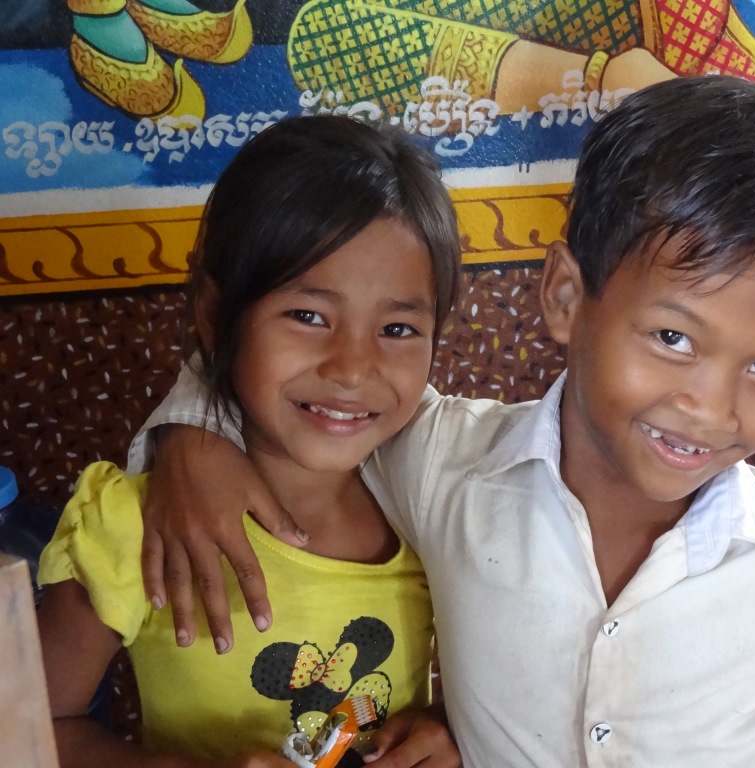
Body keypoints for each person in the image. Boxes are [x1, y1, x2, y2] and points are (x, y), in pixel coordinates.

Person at [129, 76, 755, 767]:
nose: (712, 407)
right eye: (673, 337)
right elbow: (323, 389)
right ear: (564, 295)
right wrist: (194, 432)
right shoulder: (446, 465)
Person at [34, 114, 464, 768]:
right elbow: (27, 724)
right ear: (216, 315)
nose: (353, 368)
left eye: (398, 329)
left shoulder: (433, 510)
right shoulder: (140, 523)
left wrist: (443, 727)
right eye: (308, 316)